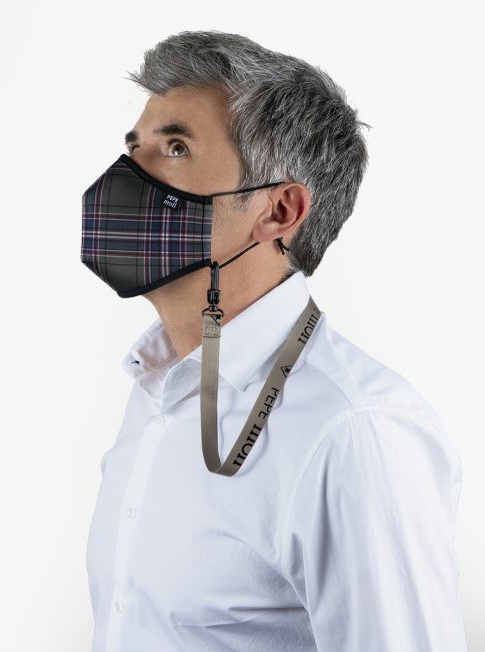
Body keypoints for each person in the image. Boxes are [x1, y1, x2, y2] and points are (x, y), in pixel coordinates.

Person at [82, 29, 468, 651]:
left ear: (279, 211)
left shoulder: (353, 432)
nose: (126, 174)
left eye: (175, 147)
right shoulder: (156, 392)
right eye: (134, 147)